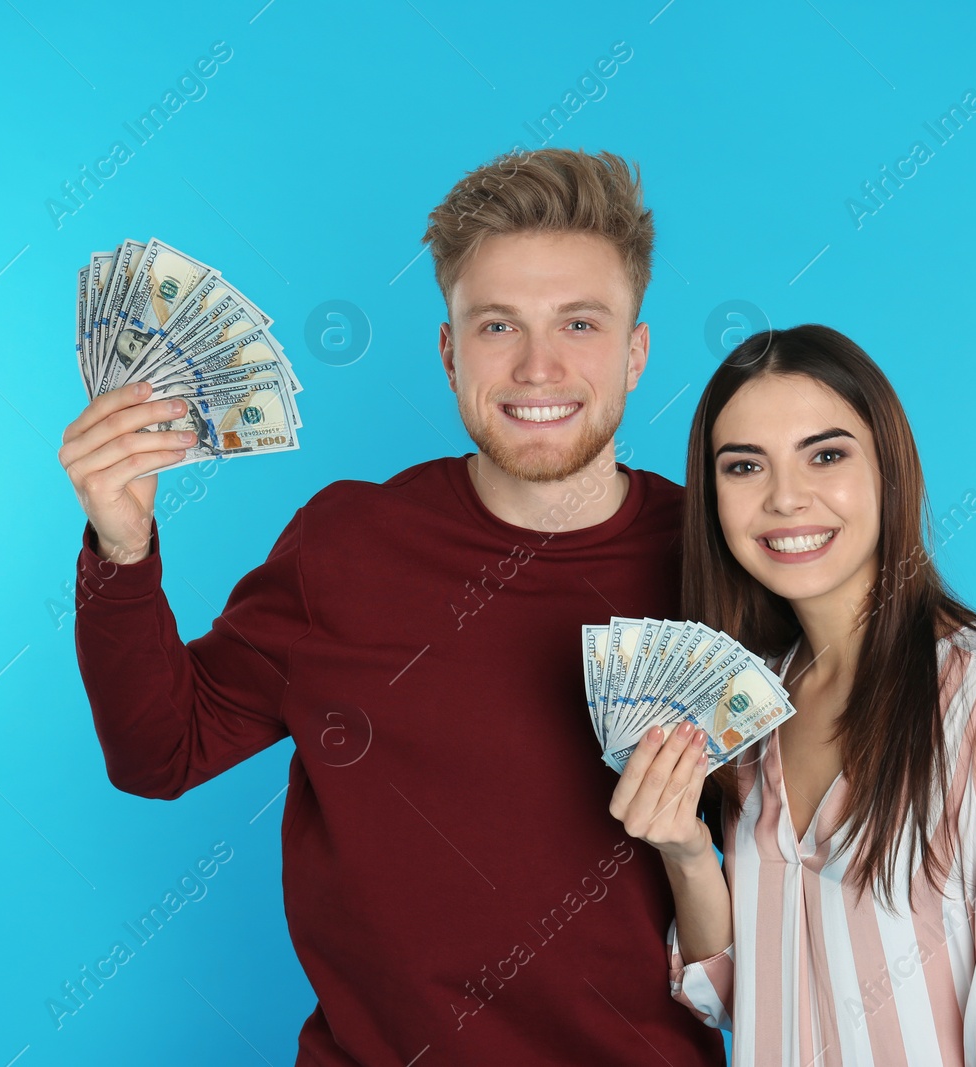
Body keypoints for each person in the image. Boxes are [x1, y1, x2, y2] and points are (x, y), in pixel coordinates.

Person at [57, 148, 727, 1066]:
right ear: (450, 352)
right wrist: (123, 550)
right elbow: (157, 752)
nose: (539, 366)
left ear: (635, 353)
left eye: (580, 322)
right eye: (498, 325)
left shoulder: (717, 561)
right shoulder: (346, 544)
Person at [609, 325, 976, 1065]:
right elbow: (734, 998)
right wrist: (686, 851)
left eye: (826, 454)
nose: (786, 497)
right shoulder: (749, 709)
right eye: (745, 466)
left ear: (888, 466)